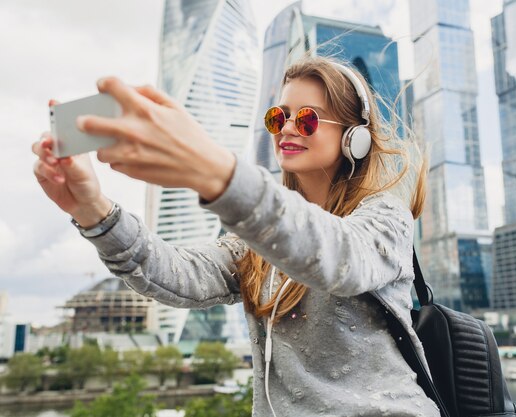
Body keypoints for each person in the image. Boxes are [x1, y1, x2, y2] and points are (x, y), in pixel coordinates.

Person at [32, 55, 440, 417]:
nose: (288, 129)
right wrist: (91, 209)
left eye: (308, 119)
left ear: (355, 136)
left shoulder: (385, 216)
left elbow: (337, 258)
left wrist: (216, 172)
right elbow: (175, 273)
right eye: (278, 118)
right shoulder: (257, 244)